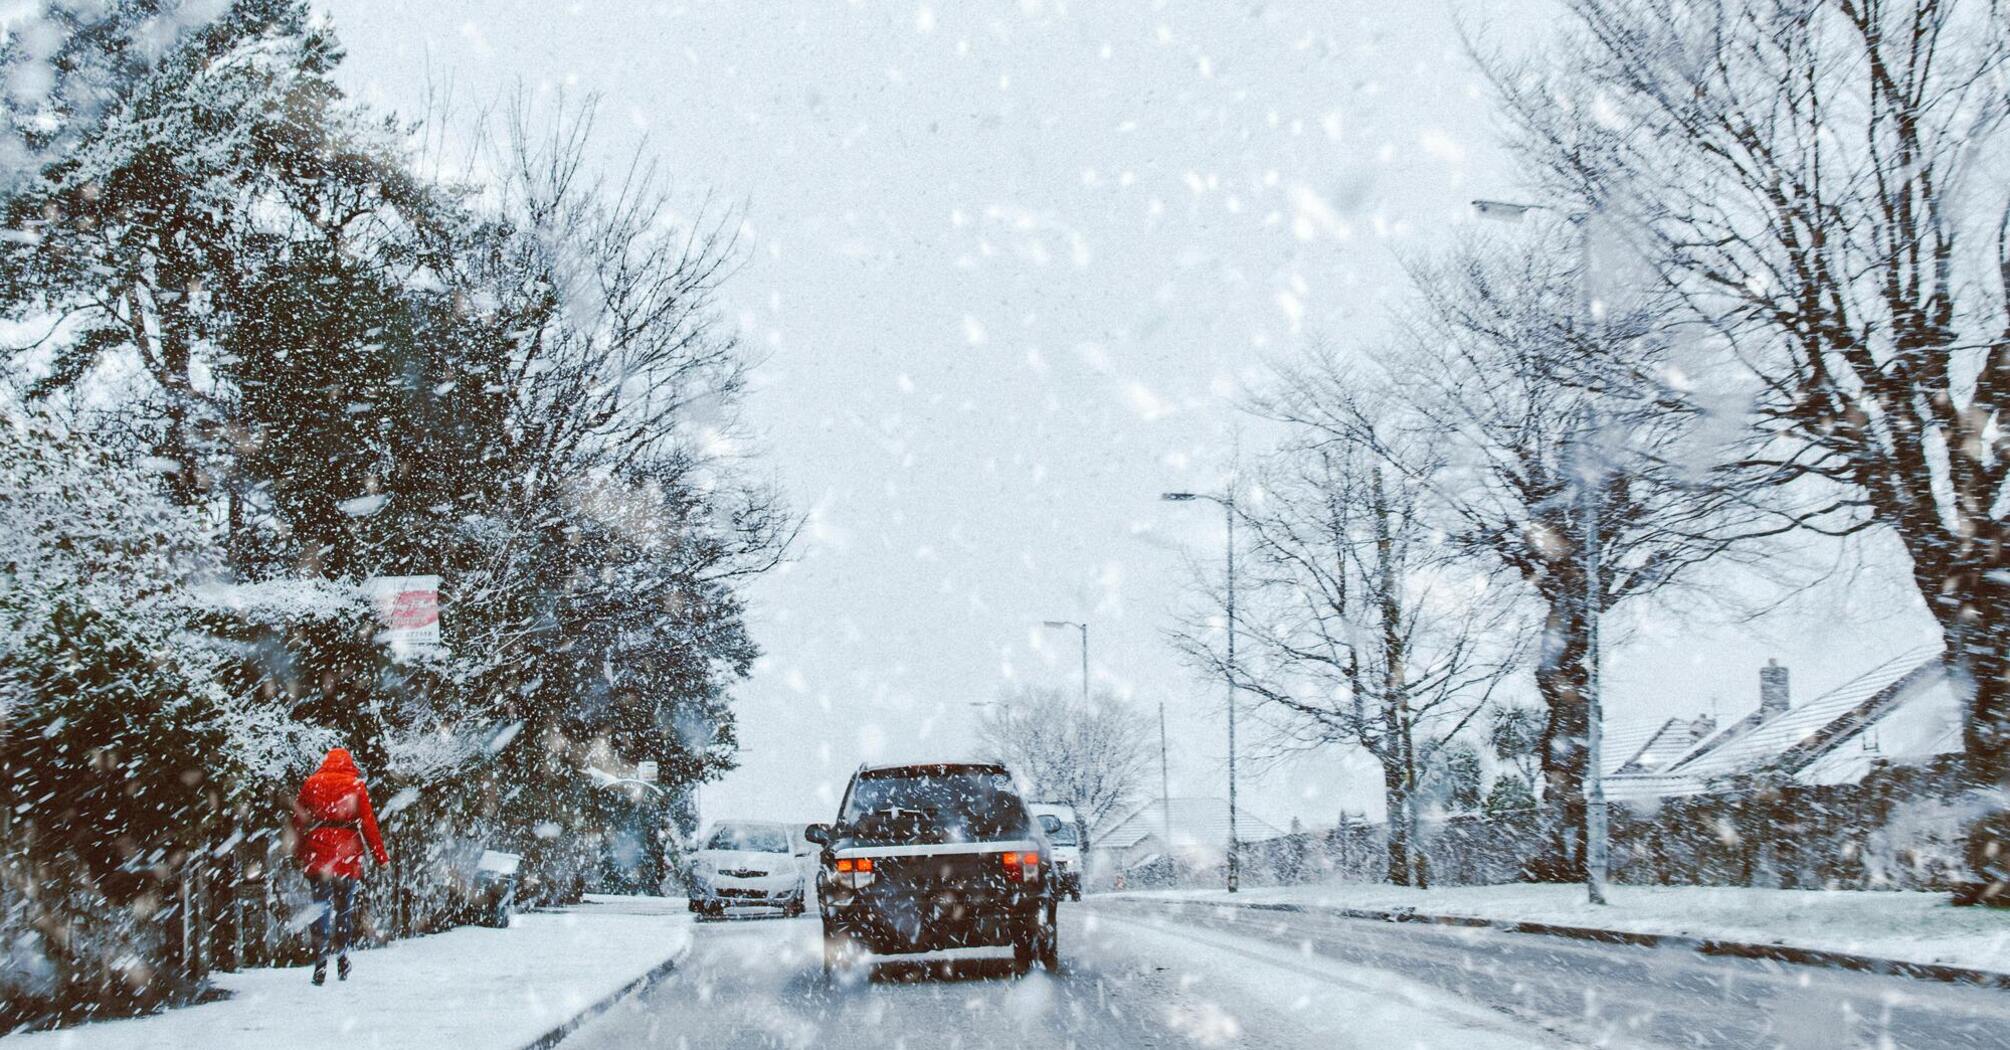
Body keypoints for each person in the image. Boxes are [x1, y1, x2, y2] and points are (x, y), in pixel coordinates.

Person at [291, 747, 390, 985]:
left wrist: (297, 852)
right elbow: (368, 822)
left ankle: (320, 960)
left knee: (321, 907)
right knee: (344, 908)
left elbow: (298, 820)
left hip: (319, 851)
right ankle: (343, 955)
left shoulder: (311, 784)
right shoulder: (355, 785)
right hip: (347, 852)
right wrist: (381, 857)